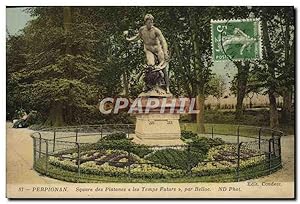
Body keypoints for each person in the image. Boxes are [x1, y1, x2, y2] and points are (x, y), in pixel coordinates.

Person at [124, 14, 170, 93]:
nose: (150, 24)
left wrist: (165, 52)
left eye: (152, 22)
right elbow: (137, 37)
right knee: (150, 67)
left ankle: (167, 87)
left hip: (158, 50)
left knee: (163, 68)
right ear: (145, 22)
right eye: (149, 22)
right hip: (148, 50)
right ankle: (150, 86)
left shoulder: (156, 30)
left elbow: (163, 42)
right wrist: (128, 39)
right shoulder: (142, 30)